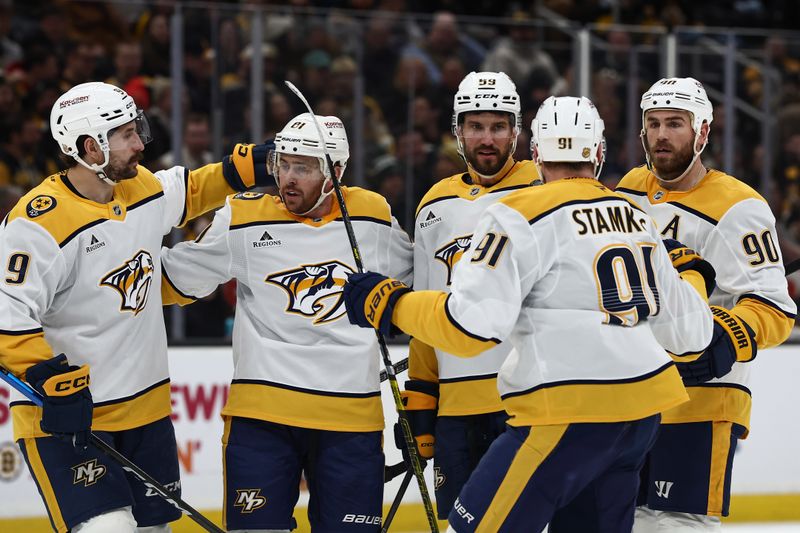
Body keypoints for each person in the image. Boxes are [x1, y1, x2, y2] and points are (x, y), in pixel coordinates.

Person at [342, 95, 716, 532]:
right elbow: (692, 336)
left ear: (535, 154)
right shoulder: (636, 217)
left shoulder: (516, 215)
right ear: (599, 154)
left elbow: (470, 327)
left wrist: (388, 303)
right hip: (640, 417)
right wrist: (691, 276)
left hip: (565, 413)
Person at [0, 81, 272, 533]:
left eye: (137, 128)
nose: (140, 142)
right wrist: (45, 378)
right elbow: (6, 313)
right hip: (70, 422)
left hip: (146, 414)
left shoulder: (138, 188)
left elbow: (187, 190)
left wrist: (238, 171)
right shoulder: (37, 225)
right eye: (126, 134)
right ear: (90, 147)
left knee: (153, 531)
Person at [160, 113, 413, 532]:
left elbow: (424, 282)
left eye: (304, 167)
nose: (287, 178)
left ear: (336, 172)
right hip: (262, 419)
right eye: (283, 163)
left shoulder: (372, 216)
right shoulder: (242, 216)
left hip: (350, 419)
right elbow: (171, 281)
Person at [615, 77, 798, 532]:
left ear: (702, 133)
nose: (661, 135)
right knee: (627, 519)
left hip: (703, 398)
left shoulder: (739, 207)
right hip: (631, 394)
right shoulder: (630, 188)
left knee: (681, 522)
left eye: (675, 123)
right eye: (653, 123)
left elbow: (774, 308)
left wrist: (719, 340)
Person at [402, 70, 540, 520]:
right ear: (457, 130)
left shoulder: (544, 189)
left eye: (498, 126)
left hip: (526, 400)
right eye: (475, 126)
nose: (487, 138)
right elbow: (424, 310)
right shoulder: (434, 205)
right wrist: (422, 400)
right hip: (457, 407)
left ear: (516, 131)